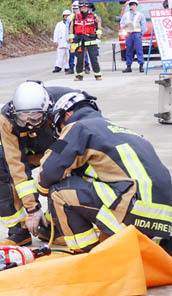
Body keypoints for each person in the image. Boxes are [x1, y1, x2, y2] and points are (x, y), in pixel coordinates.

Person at [35, 92, 172, 254]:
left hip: (134, 213)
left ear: (68, 114)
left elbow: (47, 175)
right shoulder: (124, 131)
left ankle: (88, 256)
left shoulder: (77, 127)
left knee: (58, 192)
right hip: (163, 223)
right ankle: (111, 250)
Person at [0, 81, 83, 246]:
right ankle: (18, 231)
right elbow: (15, 163)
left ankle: (53, 226)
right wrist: (32, 209)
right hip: (28, 153)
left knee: (67, 167)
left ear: (47, 109)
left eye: (34, 117)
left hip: (59, 148)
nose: (28, 123)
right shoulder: (8, 118)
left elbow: (71, 148)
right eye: (22, 118)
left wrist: (54, 163)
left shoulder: (66, 107)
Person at [69, 0, 101, 81]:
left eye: (85, 7)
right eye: (82, 7)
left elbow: (99, 27)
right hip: (80, 41)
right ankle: (79, 75)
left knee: (93, 58)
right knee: (79, 59)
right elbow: (72, 29)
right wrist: (72, 40)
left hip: (91, 40)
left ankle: (97, 75)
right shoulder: (75, 17)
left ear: (88, 8)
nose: (83, 8)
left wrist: (98, 38)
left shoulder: (94, 16)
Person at [120, 0, 145, 73]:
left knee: (139, 50)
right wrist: (125, 29)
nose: (132, 6)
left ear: (136, 5)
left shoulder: (140, 15)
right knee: (129, 50)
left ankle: (141, 66)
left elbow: (143, 26)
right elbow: (121, 24)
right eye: (130, 5)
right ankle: (128, 66)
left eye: (133, 5)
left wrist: (141, 34)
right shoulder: (126, 15)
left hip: (137, 34)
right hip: (129, 34)